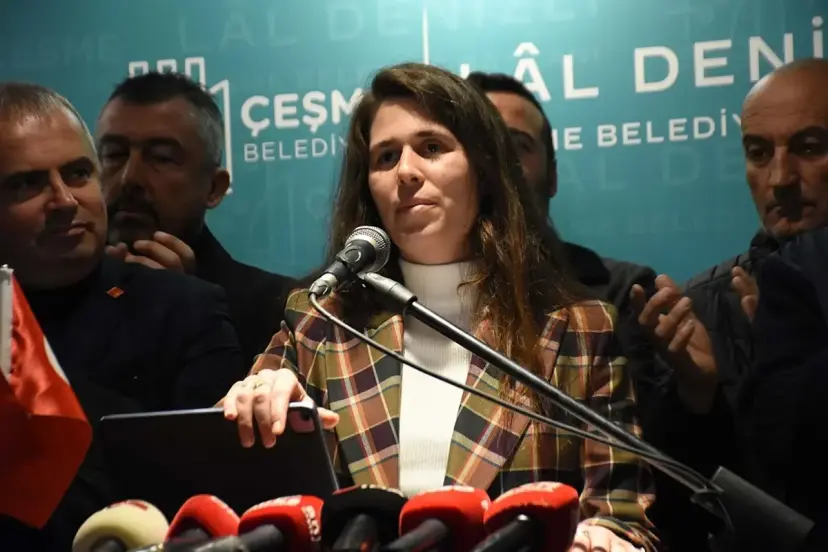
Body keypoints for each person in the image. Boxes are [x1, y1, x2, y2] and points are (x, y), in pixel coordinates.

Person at [222, 63, 657, 552]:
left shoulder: (580, 328)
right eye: (386, 157)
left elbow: (624, 520)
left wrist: (601, 541)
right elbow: (238, 486)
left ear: (483, 169)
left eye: (431, 148)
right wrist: (255, 405)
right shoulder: (319, 321)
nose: (406, 171)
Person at [467, 72, 723, 551]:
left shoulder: (618, 293)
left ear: (552, 174)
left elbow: (657, 478)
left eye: (517, 146)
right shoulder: (389, 299)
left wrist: (696, 391)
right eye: (481, 147)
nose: (499, 164)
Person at [0, 81, 244, 551]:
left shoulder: (186, 311)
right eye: (28, 183)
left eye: (77, 174)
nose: (64, 200)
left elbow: (215, 499)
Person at [95, 71, 296, 367]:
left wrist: (190, 310)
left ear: (214, 188)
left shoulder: (281, 311)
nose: (129, 178)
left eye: (162, 157)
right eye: (114, 155)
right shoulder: (46, 299)